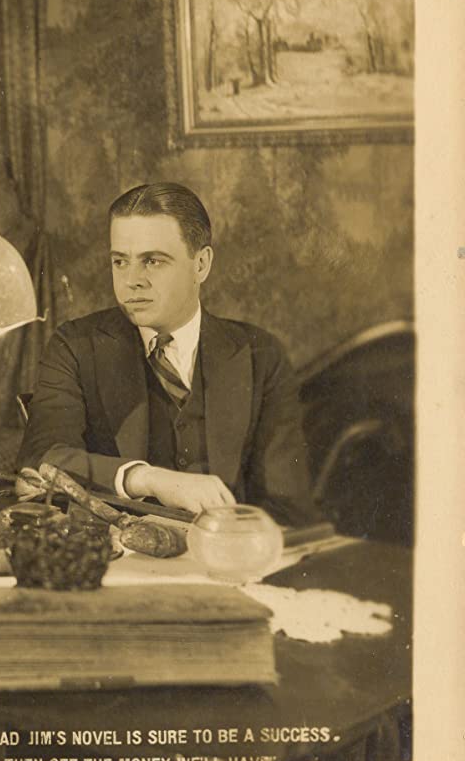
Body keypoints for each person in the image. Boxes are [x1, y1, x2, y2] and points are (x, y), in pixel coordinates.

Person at [17, 182, 318, 526]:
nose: (132, 280)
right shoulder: (76, 345)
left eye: (153, 261)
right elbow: (41, 462)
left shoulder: (259, 355)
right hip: (116, 551)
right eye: (120, 261)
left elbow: (287, 508)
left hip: (226, 549)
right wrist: (147, 479)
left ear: (201, 264)